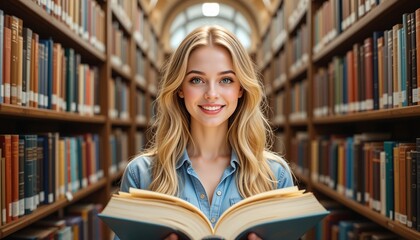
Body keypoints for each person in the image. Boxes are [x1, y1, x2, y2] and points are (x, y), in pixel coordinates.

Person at [117, 25, 294, 240]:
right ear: (180, 88)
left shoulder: (275, 176)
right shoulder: (141, 175)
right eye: (196, 80)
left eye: (226, 80)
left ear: (241, 88)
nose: (211, 94)